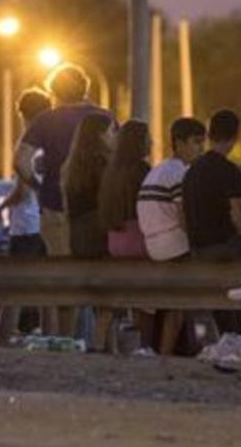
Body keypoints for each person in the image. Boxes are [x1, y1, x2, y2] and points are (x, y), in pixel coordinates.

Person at [15, 64, 114, 260]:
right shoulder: (105, 118)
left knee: (60, 268)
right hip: (97, 207)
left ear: (53, 91)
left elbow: (20, 161)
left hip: (55, 202)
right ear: (85, 88)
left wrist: (37, 186)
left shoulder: (46, 120)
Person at [182, 109, 241, 335]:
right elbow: (240, 217)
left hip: (198, 249)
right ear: (234, 138)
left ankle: (229, 336)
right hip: (224, 249)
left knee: (221, 299)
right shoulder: (228, 171)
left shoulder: (192, 170)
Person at [0, 89, 54, 344]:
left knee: (13, 292)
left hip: (24, 226)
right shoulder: (54, 143)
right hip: (45, 224)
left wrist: (0, 208)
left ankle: (2, 341)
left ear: (23, 113)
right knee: (49, 293)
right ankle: (52, 339)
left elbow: (20, 191)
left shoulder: (27, 144)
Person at [95, 120, 153, 351]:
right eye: (148, 137)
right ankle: (144, 346)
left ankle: (100, 343)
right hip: (137, 240)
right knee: (147, 299)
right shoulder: (142, 170)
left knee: (116, 295)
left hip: (116, 240)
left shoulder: (112, 171)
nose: (152, 141)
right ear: (138, 142)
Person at [138, 117, 207, 262]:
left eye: (203, 142)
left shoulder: (157, 171)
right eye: (196, 142)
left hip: (153, 248)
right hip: (175, 247)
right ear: (179, 144)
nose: (202, 148)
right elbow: (184, 217)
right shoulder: (179, 172)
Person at [62, 112, 115, 261]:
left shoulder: (73, 166)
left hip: (77, 234)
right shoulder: (102, 163)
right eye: (111, 131)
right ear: (100, 135)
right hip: (98, 233)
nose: (115, 137)